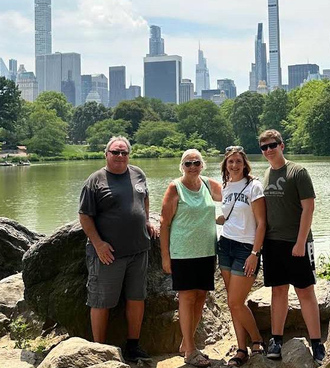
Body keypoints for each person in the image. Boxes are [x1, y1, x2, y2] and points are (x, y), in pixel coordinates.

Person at [78, 136, 158, 362]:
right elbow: (84, 216)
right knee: (101, 301)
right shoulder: (95, 181)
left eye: (124, 152)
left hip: (139, 250)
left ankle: (133, 345)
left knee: (136, 298)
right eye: (115, 152)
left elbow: (145, 197)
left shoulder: (138, 173)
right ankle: (99, 351)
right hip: (108, 255)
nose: (120, 156)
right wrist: (98, 243)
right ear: (106, 154)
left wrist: (147, 220)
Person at [258, 129, 325, 362]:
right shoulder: (265, 175)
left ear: (281, 145)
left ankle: (317, 343)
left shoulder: (298, 172)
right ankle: (276, 339)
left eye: (272, 145)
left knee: (305, 291)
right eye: (264, 147)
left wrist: (299, 242)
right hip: (272, 244)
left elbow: (309, 208)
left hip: (297, 243)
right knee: (278, 291)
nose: (268, 150)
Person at [160, 149, 222, 367]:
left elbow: (234, 192)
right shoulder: (175, 188)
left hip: (206, 251)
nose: (193, 166)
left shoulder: (207, 184)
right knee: (187, 298)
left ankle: (186, 343)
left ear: (202, 165)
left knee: (201, 297)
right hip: (183, 253)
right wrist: (165, 257)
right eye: (188, 163)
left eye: (196, 162)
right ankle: (190, 351)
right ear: (182, 166)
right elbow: (164, 224)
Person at [216, 146, 267, 367]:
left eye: (238, 161)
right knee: (232, 301)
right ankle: (240, 348)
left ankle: (257, 340)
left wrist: (255, 253)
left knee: (235, 302)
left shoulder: (253, 186)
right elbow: (229, 216)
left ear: (244, 164)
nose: (234, 165)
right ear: (226, 165)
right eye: (230, 162)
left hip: (246, 248)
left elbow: (262, 223)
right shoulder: (226, 187)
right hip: (225, 245)